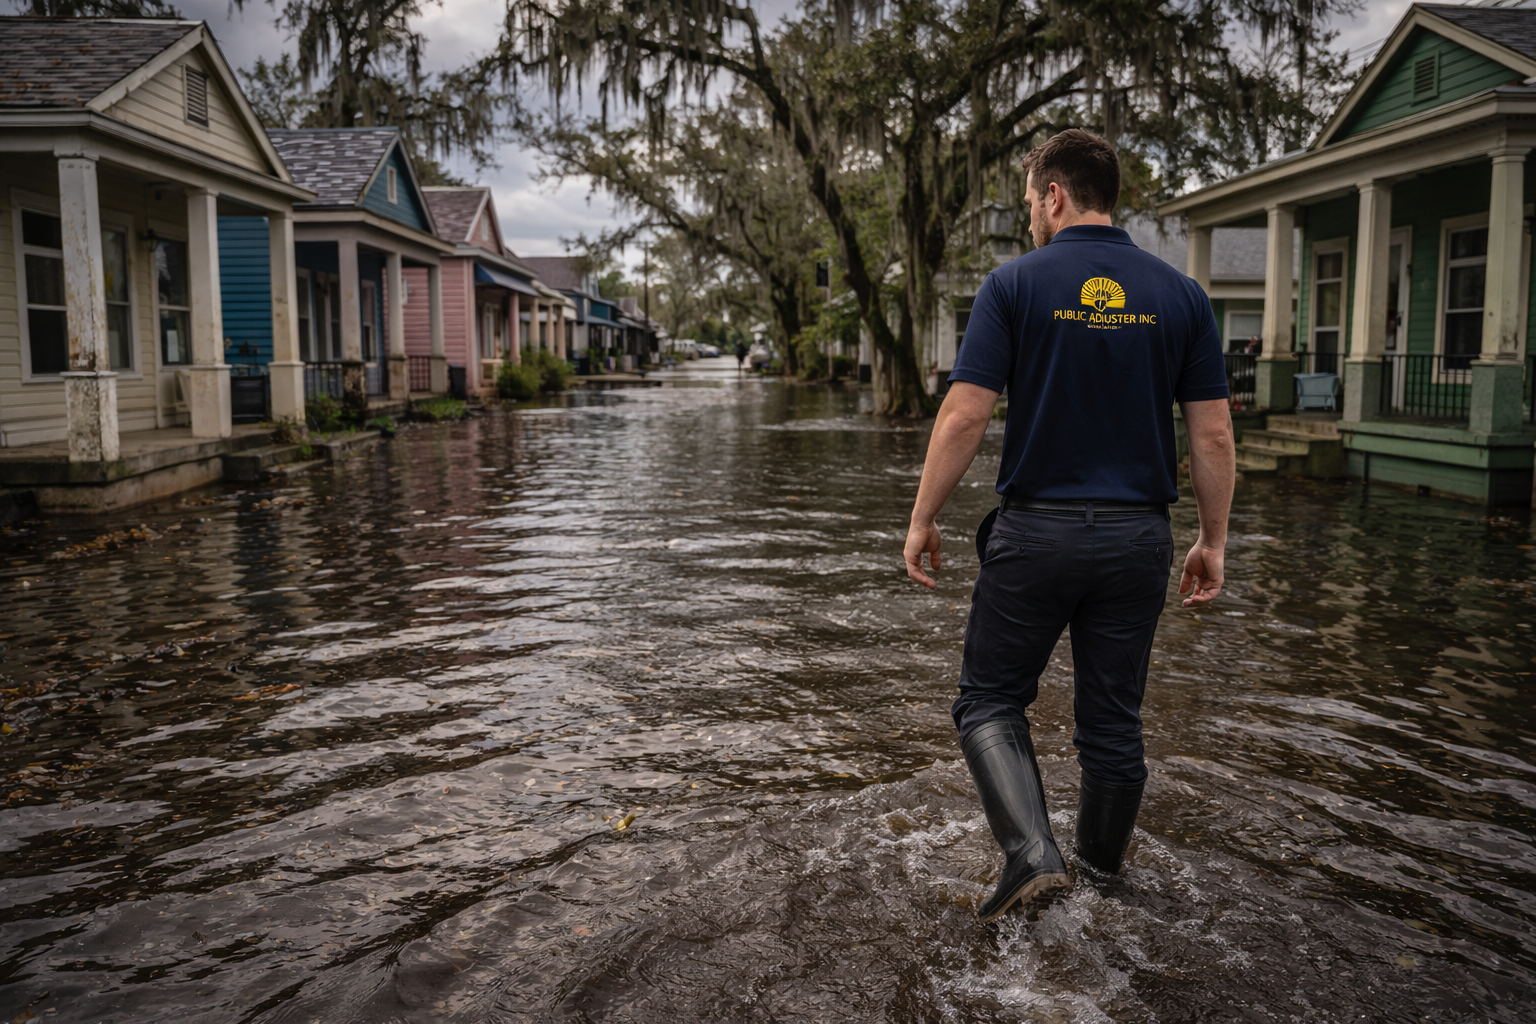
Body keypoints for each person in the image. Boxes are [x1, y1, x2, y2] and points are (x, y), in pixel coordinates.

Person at [902, 129, 1236, 922]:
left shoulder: (1014, 284)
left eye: (1029, 201)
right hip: (1136, 541)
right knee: (1113, 724)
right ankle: (1104, 889)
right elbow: (1214, 435)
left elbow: (964, 415)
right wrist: (1212, 540)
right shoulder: (1181, 294)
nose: (1028, 217)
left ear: (1055, 195)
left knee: (988, 700)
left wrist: (922, 517)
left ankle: (1029, 854)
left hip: (1038, 534)